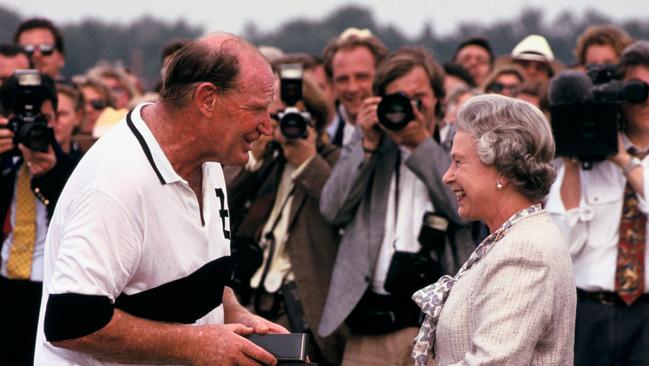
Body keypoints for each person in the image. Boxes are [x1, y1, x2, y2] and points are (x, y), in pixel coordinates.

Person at [33, 32, 287, 365]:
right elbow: (70, 322)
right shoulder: (115, 181)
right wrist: (198, 344)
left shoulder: (207, 159)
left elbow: (191, 277)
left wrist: (235, 315)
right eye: (256, 109)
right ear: (207, 99)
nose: (267, 126)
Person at [318, 47, 475, 366]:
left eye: (419, 97)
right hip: (370, 327)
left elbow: (461, 209)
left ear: (437, 98)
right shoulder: (370, 143)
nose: (410, 108)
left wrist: (420, 144)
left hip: (437, 327)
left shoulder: (457, 146)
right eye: (398, 99)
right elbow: (332, 209)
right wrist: (367, 144)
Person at [412, 94, 576, 365]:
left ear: (502, 169)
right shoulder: (510, 237)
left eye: (459, 162)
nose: (447, 176)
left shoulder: (526, 251)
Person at [228, 61, 345, 365]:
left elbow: (341, 208)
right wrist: (255, 159)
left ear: (315, 120)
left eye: (296, 117)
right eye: (275, 116)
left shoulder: (336, 159)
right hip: (252, 301)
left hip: (299, 304)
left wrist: (308, 160)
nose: (285, 125)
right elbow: (226, 203)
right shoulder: (267, 162)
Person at [546, 40, 649, 366]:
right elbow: (561, 243)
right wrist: (574, 159)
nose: (648, 101)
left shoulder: (617, 160)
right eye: (639, 90)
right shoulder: (590, 158)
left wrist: (624, 160)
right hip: (589, 312)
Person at [0, 72, 81, 366]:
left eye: (45, 118)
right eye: (20, 120)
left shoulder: (75, 167)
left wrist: (51, 174)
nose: (32, 127)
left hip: (48, 285)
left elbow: (79, 218)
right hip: (5, 283)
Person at [322, 27, 388, 146]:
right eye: (342, 79)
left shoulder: (399, 135)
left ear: (381, 76)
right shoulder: (322, 136)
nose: (352, 88)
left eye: (361, 77)